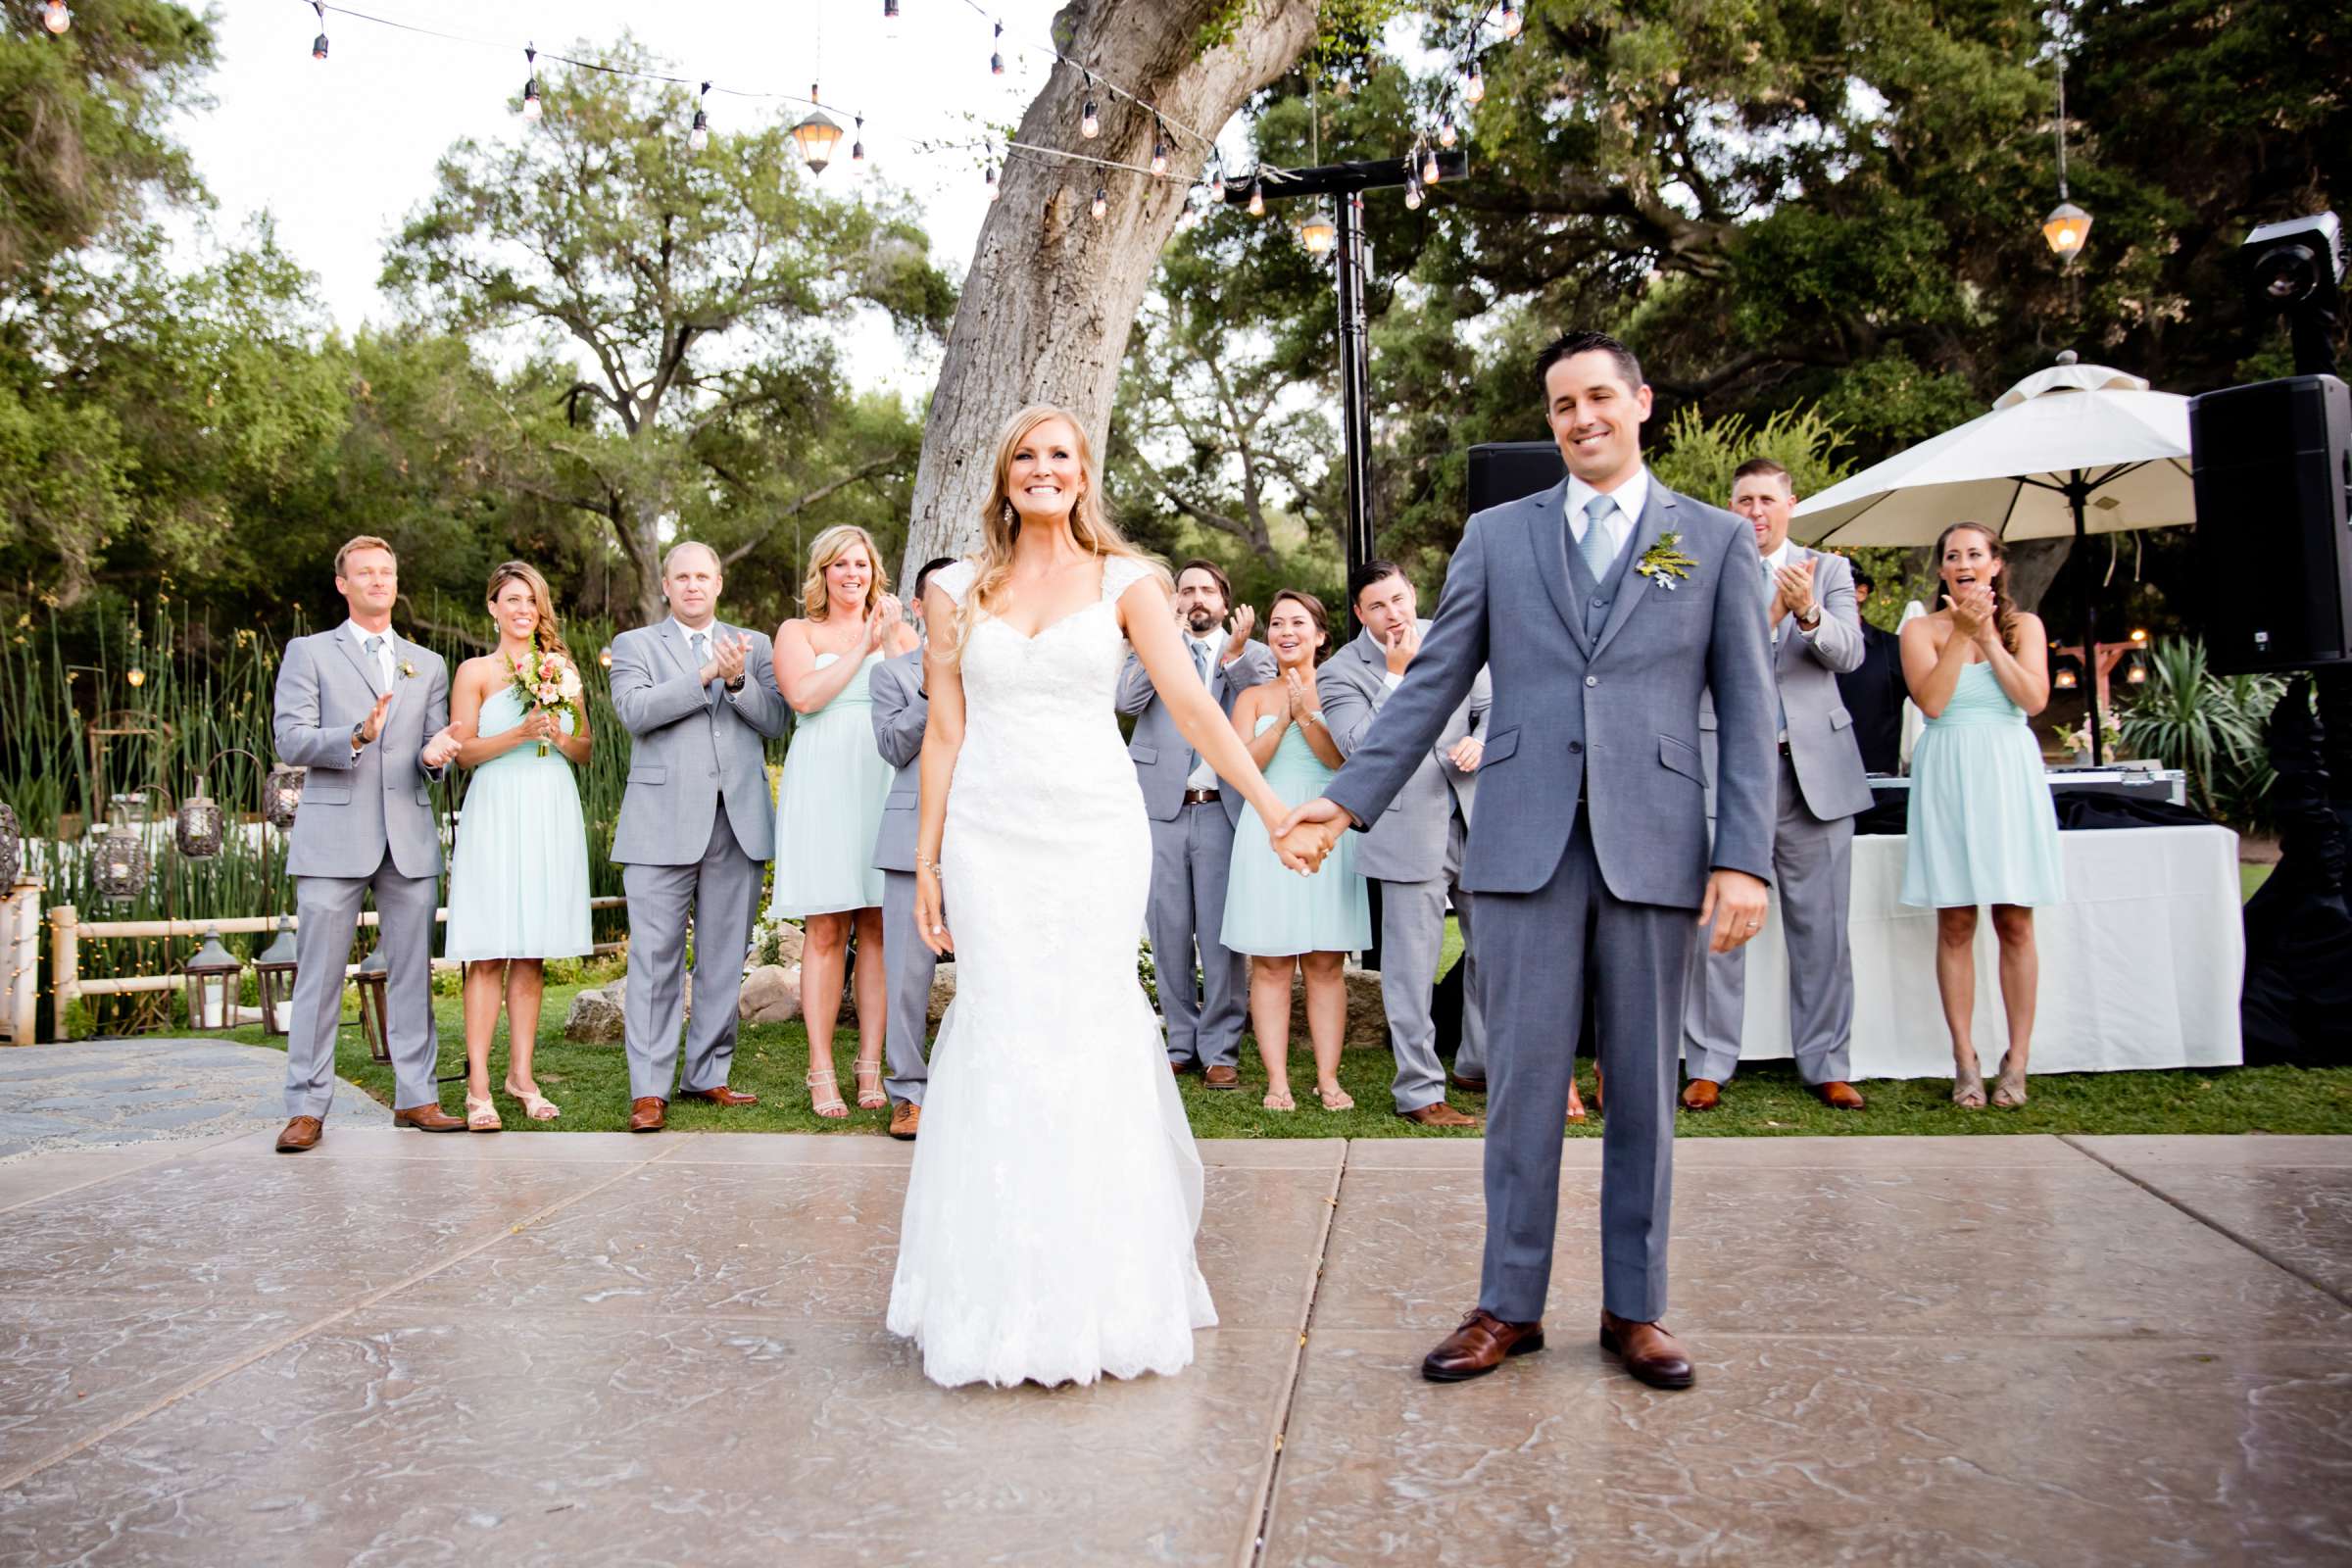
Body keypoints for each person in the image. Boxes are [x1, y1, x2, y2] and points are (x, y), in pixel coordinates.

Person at [1279, 330, 1776, 1391]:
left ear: (1642, 402)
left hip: (1656, 842)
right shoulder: (1498, 536)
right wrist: (1343, 797)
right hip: (1520, 843)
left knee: (1643, 1083)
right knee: (1520, 1086)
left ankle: (1634, 1308)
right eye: (1562, 405)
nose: (1582, 418)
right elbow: (1431, 679)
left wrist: (1744, 860)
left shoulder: (1718, 539)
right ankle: (1509, 1304)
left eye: (1601, 397)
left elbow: (1747, 702)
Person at [886, 404, 1307, 1389]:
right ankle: (993, 1294)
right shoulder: (953, 589)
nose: (1043, 469)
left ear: (1084, 475)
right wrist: (931, 857)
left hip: (1092, 832)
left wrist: (1271, 802)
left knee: (1087, 1026)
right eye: (1025, 455)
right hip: (990, 836)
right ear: (1004, 476)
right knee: (1001, 1027)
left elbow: (1195, 704)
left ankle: (1102, 1292)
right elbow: (945, 729)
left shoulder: (1131, 582)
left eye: (1061, 455)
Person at [1681, 459, 1873, 1113]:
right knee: (1717, 928)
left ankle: (1826, 1063)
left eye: (1767, 499)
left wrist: (1810, 613)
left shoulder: (1832, 571)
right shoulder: (1707, 570)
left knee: (1821, 930)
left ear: (1791, 503)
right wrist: (1768, 613)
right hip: (1729, 773)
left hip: (1812, 772)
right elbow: (1695, 664)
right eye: (1743, 500)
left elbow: (1850, 654)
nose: (1755, 510)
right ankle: (1708, 1063)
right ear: (1729, 508)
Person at [270, 535, 468, 1152]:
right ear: (343, 584)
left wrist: (436, 757)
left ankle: (418, 1098)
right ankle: (306, 1109)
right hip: (333, 838)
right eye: (365, 572)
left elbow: (432, 748)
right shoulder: (309, 653)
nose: (378, 580)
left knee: (411, 974)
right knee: (320, 977)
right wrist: (356, 735)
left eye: (386, 571)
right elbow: (290, 739)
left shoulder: (427, 662)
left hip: (407, 837)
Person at [608, 541, 790, 1134]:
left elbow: (777, 721)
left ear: (718, 584)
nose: (692, 586)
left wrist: (738, 684)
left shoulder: (755, 645)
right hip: (660, 823)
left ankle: (707, 1073)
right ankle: (649, 1089)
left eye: (702, 576)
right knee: (655, 959)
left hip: (736, 821)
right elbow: (635, 711)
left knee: (720, 959)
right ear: (666, 585)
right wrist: (707, 672)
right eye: (681, 576)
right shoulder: (636, 646)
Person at [1317, 561, 1493, 1128]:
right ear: (1359, 614)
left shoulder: (1453, 634)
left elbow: (1493, 706)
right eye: (1378, 606)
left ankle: (1479, 1064)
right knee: (1411, 971)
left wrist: (1480, 741)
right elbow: (1356, 747)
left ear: (1412, 593)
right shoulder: (1342, 670)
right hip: (1404, 825)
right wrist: (1396, 677)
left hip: (1475, 816)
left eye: (1399, 599)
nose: (1394, 614)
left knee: (1493, 954)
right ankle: (1419, 1091)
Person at [1899, 522, 2062, 1109]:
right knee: (1957, 922)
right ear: (1942, 571)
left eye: (1974, 553)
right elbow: (1934, 704)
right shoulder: (1919, 629)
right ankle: (1964, 1059)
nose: (1963, 562)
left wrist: (1987, 637)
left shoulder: (2027, 627)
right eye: (1951, 556)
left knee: (2015, 920)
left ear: (1995, 565)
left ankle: (2016, 1061)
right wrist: (1958, 635)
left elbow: (2034, 700)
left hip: (2007, 772)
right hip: (1948, 772)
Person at [770, 525, 922, 1118]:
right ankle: (819, 1067)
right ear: (823, 573)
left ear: (874, 571)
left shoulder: (903, 634)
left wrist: (888, 640)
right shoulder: (797, 633)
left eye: (861, 563)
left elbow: (920, 704)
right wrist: (862, 645)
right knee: (827, 928)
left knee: (880, 928)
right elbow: (805, 698)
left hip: (885, 776)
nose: (852, 573)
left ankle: (870, 1065)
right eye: (840, 564)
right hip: (825, 781)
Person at [443, 562, 594, 1129]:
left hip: (549, 802)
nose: (522, 609)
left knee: (531, 950)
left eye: (531, 600)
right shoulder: (475, 672)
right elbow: (463, 751)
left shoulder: (563, 669)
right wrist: (518, 733)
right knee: (489, 949)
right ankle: (479, 1085)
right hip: (497, 806)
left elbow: (585, 749)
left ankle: (522, 1076)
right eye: (511, 599)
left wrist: (558, 735)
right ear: (493, 607)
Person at [1117, 560, 1275, 1088]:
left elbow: (1266, 704)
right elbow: (1126, 701)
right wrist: (1168, 637)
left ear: (1225, 603)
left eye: (1206, 590)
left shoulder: (1252, 654)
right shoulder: (1155, 646)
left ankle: (1221, 1050)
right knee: (1166, 932)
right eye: (1185, 591)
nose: (1195, 599)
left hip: (1222, 810)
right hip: (1160, 808)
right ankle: (1180, 1041)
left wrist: (1229, 661)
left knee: (1219, 937)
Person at [1221, 590, 1370, 1112]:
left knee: (1327, 962)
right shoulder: (1251, 700)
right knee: (1271, 963)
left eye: (1298, 623)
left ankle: (1328, 1080)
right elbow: (1240, 768)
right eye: (1278, 623)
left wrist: (1306, 711)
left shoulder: (1343, 692)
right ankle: (1277, 1082)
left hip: (1328, 830)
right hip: (1266, 831)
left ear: (1321, 635)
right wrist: (1281, 718)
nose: (1287, 631)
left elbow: (1342, 760)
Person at [870, 556, 958, 1141]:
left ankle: (979, 1091)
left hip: (989, 839)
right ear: (921, 607)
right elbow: (894, 747)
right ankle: (908, 1094)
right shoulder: (893, 674)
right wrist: (931, 686)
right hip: (910, 843)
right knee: (907, 978)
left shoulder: (997, 671)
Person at [1838, 566, 1911, 774]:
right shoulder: (1799, 649)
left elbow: (1932, 704)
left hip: (1880, 790)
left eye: (1837, 586)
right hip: (1813, 791)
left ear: (1861, 592)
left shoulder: (1893, 648)